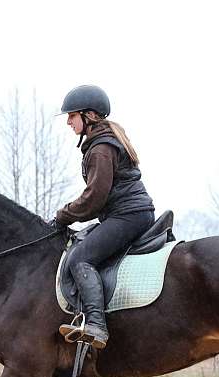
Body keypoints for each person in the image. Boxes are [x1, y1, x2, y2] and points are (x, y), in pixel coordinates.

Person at [56, 85, 155, 349]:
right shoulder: (104, 142)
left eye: (72, 115)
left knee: (80, 259)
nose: (68, 121)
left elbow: (93, 199)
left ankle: (97, 326)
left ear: (89, 115)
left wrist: (62, 217)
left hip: (127, 216)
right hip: (130, 214)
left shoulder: (100, 148)